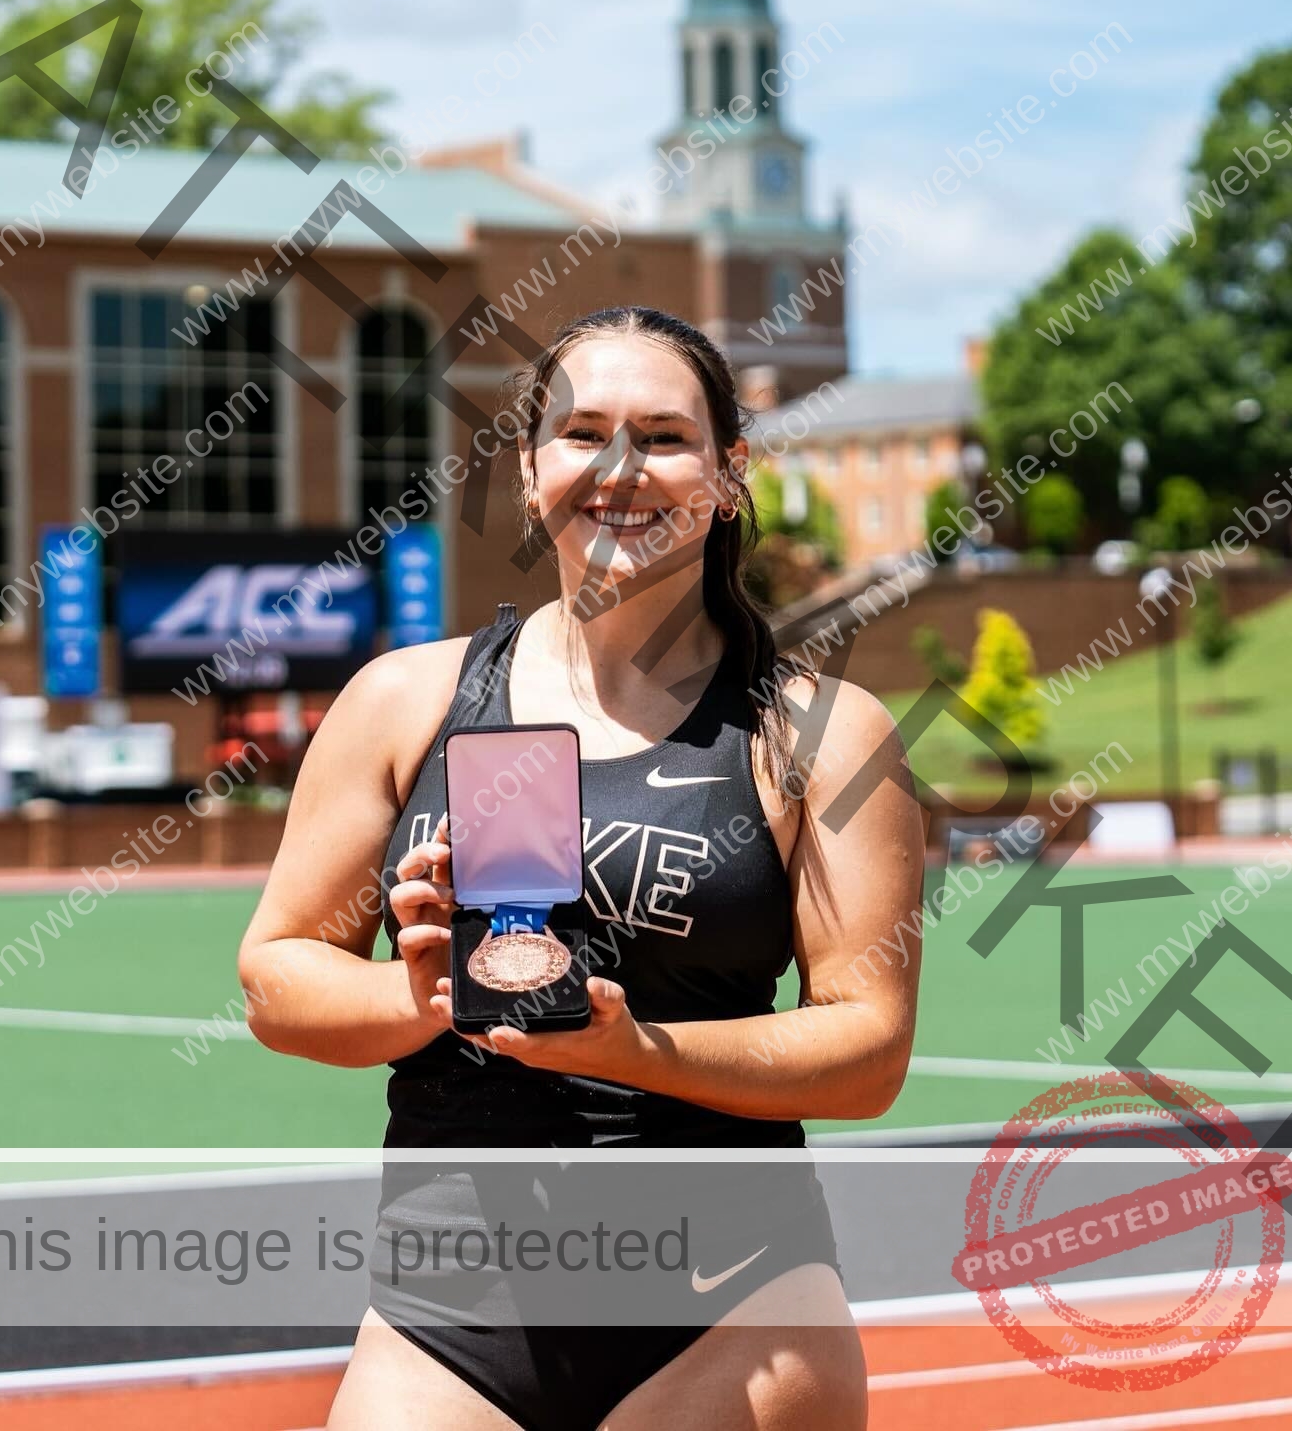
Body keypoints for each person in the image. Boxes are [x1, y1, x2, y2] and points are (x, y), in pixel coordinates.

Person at [239, 305, 925, 1430]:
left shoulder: (821, 732)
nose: (618, 468)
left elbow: (866, 1050)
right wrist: (423, 988)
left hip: (730, 1305)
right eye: (581, 432)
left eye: (661, 436)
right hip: (451, 1308)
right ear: (527, 471)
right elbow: (276, 977)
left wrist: (634, 1048)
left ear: (729, 470)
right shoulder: (404, 699)